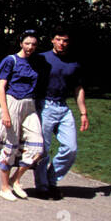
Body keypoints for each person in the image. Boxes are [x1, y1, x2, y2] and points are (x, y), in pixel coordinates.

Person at [0, 31, 45, 201]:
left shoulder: (36, 62)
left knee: (38, 147)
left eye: (33, 44)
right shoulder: (10, 60)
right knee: (10, 144)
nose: (30, 47)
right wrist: (5, 112)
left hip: (29, 105)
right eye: (27, 43)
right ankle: (4, 187)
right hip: (12, 103)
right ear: (21, 43)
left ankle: (15, 180)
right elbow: (1, 87)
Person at [32, 29, 89, 200]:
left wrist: (83, 113)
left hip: (63, 108)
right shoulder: (41, 58)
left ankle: (52, 180)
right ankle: (43, 187)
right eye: (58, 39)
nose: (61, 43)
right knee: (43, 149)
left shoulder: (74, 63)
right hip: (45, 106)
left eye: (65, 40)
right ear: (52, 40)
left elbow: (78, 88)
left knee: (70, 148)